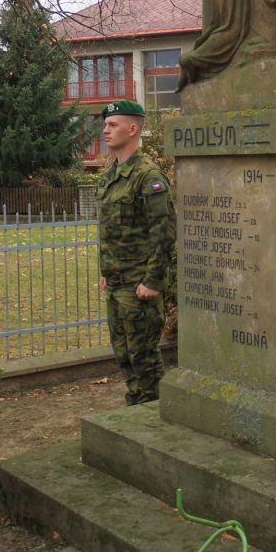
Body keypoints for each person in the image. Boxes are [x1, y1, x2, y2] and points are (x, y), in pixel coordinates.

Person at [97, 100, 175, 405]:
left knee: (144, 360)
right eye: (105, 125)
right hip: (117, 284)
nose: (105, 130)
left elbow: (164, 233)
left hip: (139, 287)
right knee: (124, 356)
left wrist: (153, 281)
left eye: (112, 124)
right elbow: (109, 230)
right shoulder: (112, 175)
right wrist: (105, 272)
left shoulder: (147, 176)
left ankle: (152, 416)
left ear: (132, 129)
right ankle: (135, 410)